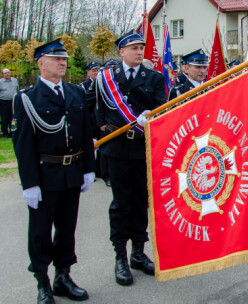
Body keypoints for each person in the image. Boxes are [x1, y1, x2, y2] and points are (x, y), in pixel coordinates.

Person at [11, 38, 96, 304]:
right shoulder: (26, 98)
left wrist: (88, 169)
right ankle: (42, 282)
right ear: (41, 63)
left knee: (67, 229)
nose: (63, 62)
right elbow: (22, 145)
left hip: (72, 172)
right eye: (56, 59)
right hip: (45, 175)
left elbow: (85, 132)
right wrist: (29, 184)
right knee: (40, 233)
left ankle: (63, 277)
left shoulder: (75, 93)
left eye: (64, 59)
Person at [95, 29, 166, 286]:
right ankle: (120, 257)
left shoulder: (155, 77)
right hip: (117, 150)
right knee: (121, 203)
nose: (139, 52)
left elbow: (161, 109)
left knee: (141, 202)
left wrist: (150, 119)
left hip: (143, 148)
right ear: (121, 51)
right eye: (134, 48)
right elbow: (97, 111)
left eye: (141, 48)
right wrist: (102, 128)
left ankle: (138, 252)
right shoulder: (106, 78)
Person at [0, 68, 19, 137]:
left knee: (13, 117)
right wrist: (0, 97)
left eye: (8, 72)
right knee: (4, 118)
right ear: (2, 74)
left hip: (12, 102)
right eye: (5, 73)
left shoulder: (15, 80)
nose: (7, 74)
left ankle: (12, 132)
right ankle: (5, 133)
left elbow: (17, 89)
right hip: (3, 102)